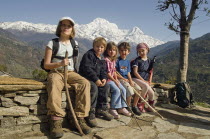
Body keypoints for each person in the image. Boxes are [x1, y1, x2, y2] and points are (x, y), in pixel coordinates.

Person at [44, 17, 91, 137]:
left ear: (72, 29)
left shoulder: (74, 44)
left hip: (70, 72)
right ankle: (55, 121)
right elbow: (46, 64)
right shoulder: (52, 43)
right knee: (54, 83)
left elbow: (75, 62)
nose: (66, 27)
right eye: (63, 25)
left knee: (85, 83)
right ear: (59, 27)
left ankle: (80, 118)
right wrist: (59, 64)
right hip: (56, 71)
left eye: (68, 26)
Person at [79, 37, 114, 127]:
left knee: (106, 86)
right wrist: (96, 79)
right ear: (93, 46)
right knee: (93, 87)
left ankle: (102, 108)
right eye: (97, 46)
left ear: (104, 48)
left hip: (97, 79)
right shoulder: (89, 55)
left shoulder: (102, 58)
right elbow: (87, 69)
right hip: (86, 78)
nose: (99, 49)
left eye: (102, 47)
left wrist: (104, 78)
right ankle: (90, 111)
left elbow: (103, 71)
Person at [104, 42, 131, 119]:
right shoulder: (106, 60)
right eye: (110, 50)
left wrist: (116, 79)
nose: (112, 52)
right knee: (117, 90)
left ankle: (122, 107)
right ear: (107, 51)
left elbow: (114, 72)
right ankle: (113, 108)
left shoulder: (113, 60)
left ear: (116, 51)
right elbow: (108, 73)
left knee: (123, 89)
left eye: (114, 50)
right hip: (108, 80)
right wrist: (114, 80)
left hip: (113, 79)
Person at [116, 42, 142, 116]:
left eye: (125, 50)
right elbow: (115, 72)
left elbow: (128, 73)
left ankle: (134, 106)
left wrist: (131, 81)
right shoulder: (117, 61)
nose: (123, 52)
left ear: (128, 52)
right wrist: (123, 79)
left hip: (127, 79)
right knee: (130, 91)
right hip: (120, 79)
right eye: (121, 50)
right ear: (119, 51)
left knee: (138, 89)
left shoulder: (127, 62)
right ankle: (128, 106)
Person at [131, 43, 156, 113]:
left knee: (151, 93)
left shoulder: (149, 61)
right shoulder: (137, 60)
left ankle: (150, 106)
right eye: (139, 51)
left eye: (143, 50)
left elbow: (150, 72)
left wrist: (149, 81)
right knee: (145, 86)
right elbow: (135, 72)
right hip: (135, 78)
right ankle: (140, 103)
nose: (141, 53)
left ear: (147, 50)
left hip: (144, 80)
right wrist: (144, 81)